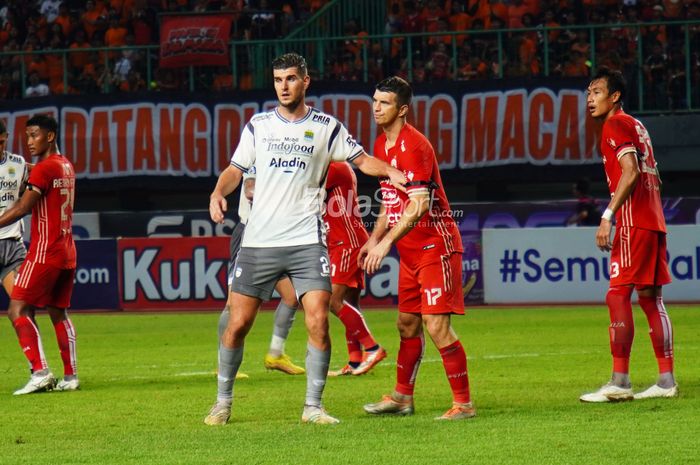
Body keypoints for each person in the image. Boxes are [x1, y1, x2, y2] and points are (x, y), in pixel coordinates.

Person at [205, 53, 406, 426]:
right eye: (279, 79)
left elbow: (362, 160)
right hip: (259, 242)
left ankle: (313, 406)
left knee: (318, 320)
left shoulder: (327, 127)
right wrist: (219, 192)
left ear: (305, 81)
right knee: (237, 324)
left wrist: (391, 170)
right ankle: (222, 402)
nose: (284, 86)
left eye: (291, 79)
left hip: (306, 242)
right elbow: (234, 170)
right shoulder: (258, 126)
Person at [361, 76, 475, 421]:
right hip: (410, 251)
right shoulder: (382, 146)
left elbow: (419, 205)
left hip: (434, 246)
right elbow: (390, 201)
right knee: (406, 324)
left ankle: (464, 404)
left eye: (384, 103)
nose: (376, 108)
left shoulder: (416, 145)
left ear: (403, 109)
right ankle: (401, 398)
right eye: (375, 101)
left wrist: (386, 243)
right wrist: (373, 237)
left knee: (436, 325)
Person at [580, 68, 677, 403]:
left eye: (596, 92)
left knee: (618, 295)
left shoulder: (615, 124)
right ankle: (666, 380)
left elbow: (631, 170)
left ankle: (620, 381)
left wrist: (608, 216)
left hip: (634, 222)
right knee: (651, 299)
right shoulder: (637, 125)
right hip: (653, 219)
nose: (589, 99)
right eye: (588, 93)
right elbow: (655, 176)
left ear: (614, 96)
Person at [266, 161, 387, 377]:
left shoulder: (335, 167)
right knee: (349, 302)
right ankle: (355, 360)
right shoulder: (334, 166)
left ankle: (373, 348)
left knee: (332, 300)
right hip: (343, 241)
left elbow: (301, 188)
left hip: (346, 243)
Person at [0, 114, 78, 395]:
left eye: (34, 135)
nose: (29, 141)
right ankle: (71, 376)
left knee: (17, 308)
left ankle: (41, 372)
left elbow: (22, 208)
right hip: (67, 250)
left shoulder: (44, 169)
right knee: (59, 312)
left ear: (50, 136)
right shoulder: (65, 165)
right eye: (27, 135)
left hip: (44, 251)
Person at [217, 167, 306, 376]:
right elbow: (250, 190)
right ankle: (223, 363)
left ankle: (275, 354)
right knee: (233, 304)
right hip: (251, 233)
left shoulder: (286, 151)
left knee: (292, 296)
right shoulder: (258, 148)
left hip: (275, 235)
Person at [0, 121, 29, 302]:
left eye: (1, 142)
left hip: (12, 246)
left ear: (7, 138)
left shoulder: (18, 164)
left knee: (23, 307)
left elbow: (25, 197)